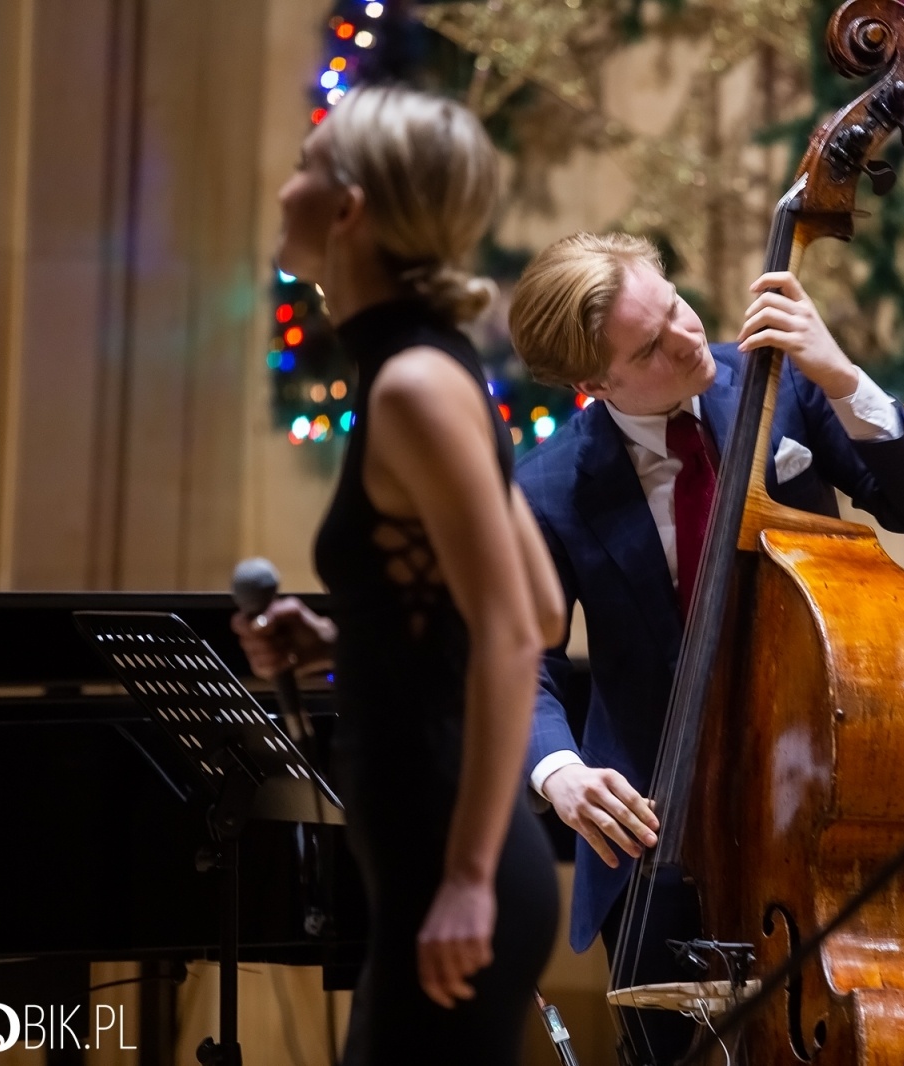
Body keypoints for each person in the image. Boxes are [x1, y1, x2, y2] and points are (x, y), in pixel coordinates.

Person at [509, 231, 904, 1063]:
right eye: (651, 346)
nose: (690, 337)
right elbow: (523, 665)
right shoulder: (547, 489)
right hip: (656, 843)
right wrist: (560, 773)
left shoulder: (781, 384)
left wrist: (837, 370)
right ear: (594, 384)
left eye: (678, 306)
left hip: (807, 820)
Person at [233, 86, 562, 1064]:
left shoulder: (416, 384)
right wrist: (354, 635)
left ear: (348, 210)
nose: (283, 185)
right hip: (438, 868)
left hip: (458, 871)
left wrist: (465, 878)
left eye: (306, 163)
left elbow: (512, 632)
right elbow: (538, 599)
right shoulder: (423, 368)